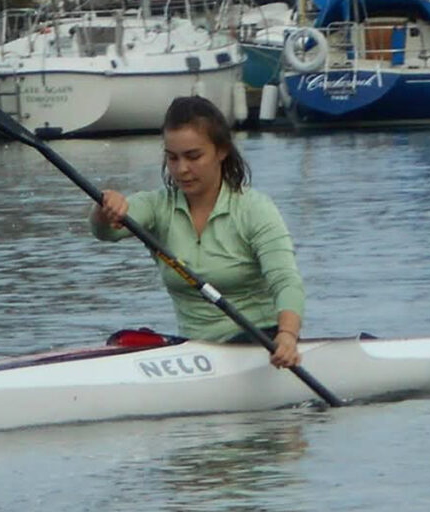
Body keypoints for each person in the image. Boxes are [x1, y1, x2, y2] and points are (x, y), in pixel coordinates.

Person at [90, 96, 305, 369]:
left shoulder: (255, 210)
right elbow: (106, 232)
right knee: (121, 339)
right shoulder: (157, 207)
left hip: (260, 343)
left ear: (221, 150)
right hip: (195, 350)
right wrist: (105, 207)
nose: (182, 169)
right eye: (172, 158)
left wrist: (287, 337)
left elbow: (287, 282)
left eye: (193, 156)